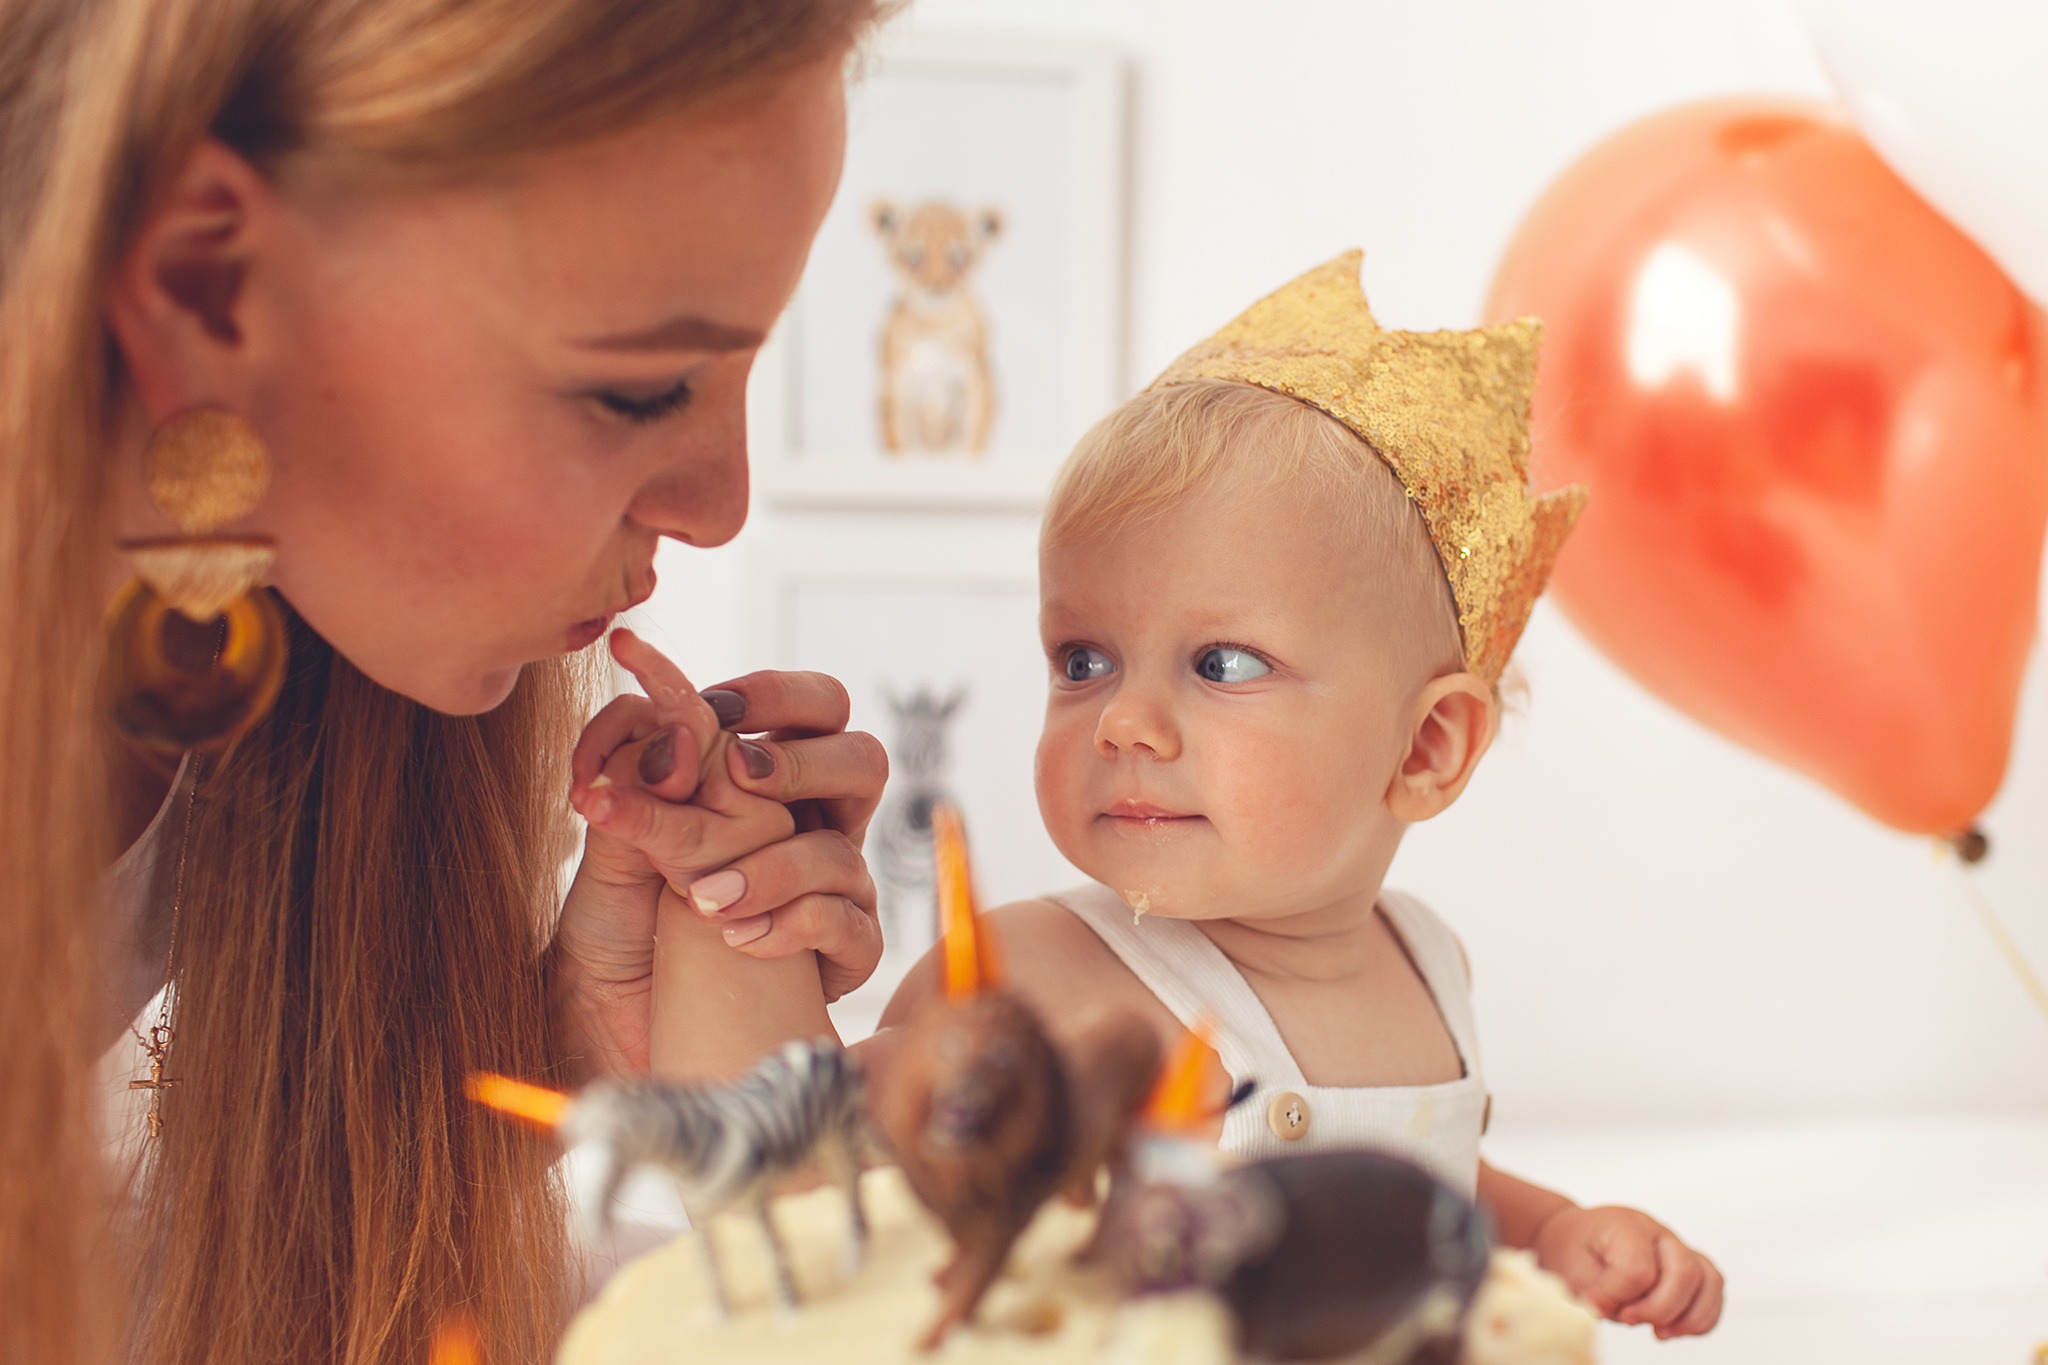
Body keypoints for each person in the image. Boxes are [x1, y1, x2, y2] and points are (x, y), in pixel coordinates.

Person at [0, 2, 895, 1362]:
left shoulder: (253, 683)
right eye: (643, 387)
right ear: (206, 286)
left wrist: (556, 1049)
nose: (723, 504)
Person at [880, 254, 1726, 1340]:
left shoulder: (1426, 963)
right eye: (1082, 659)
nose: (1121, 722)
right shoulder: (1018, 980)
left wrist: (1554, 1229)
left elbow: (1425, 1186)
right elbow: (840, 1188)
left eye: (1222, 665)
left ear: (1424, 746)